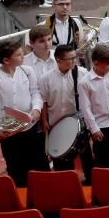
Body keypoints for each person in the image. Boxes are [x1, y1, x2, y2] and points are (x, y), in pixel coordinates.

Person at [0, 40, 47, 186]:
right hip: (9, 133)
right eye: (18, 55)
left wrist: (36, 109)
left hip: (31, 128)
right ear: (6, 60)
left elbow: (35, 92)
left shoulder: (27, 71)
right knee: (16, 168)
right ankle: (22, 200)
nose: (23, 56)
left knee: (40, 164)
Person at [40, 44, 93, 181]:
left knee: (85, 155)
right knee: (61, 159)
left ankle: (91, 182)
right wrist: (45, 121)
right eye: (69, 59)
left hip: (79, 123)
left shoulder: (82, 73)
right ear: (58, 60)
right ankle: (68, 185)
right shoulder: (46, 78)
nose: (73, 61)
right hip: (56, 123)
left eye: (74, 58)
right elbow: (43, 101)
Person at [79, 45, 109, 171]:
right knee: (102, 162)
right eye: (107, 64)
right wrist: (94, 129)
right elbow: (86, 108)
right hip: (100, 127)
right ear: (96, 62)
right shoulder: (85, 82)